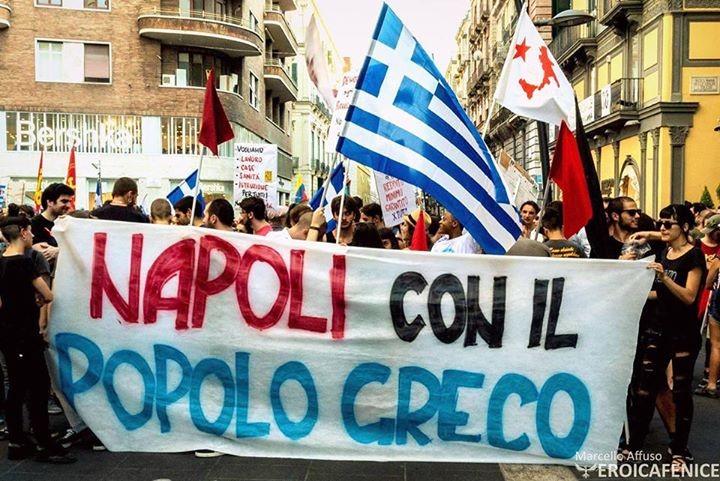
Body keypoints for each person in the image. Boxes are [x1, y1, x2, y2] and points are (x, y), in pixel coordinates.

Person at [624, 204, 706, 472]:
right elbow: (659, 293)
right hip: (658, 328)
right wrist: (631, 290)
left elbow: (689, 296)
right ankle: (633, 445)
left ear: (684, 226)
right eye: (660, 223)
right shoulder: (665, 251)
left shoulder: (694, 256)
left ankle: (679, 451)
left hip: (684, 332)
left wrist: (664, 278)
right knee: (645, 388)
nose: (662, 228)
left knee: (680, 391)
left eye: (667, 224)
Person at [0, 217, 76, 463]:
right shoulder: (25, 263)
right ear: (23, 233)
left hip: (8, 334)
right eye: (30, 232)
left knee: (15, 387)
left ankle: (17, 441)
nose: (32, 236)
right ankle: (44, 443)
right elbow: (48, 294)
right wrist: (37, 299)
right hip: (27, 334)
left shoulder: (1, 262)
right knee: (38, 387)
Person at [31, 183, 75, 265]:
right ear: (50, 202)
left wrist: (58, 251)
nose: (69, 205)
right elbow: (39, 252)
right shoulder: (33, 224)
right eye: (64, 201)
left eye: (70, 201)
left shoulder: (69, 224)